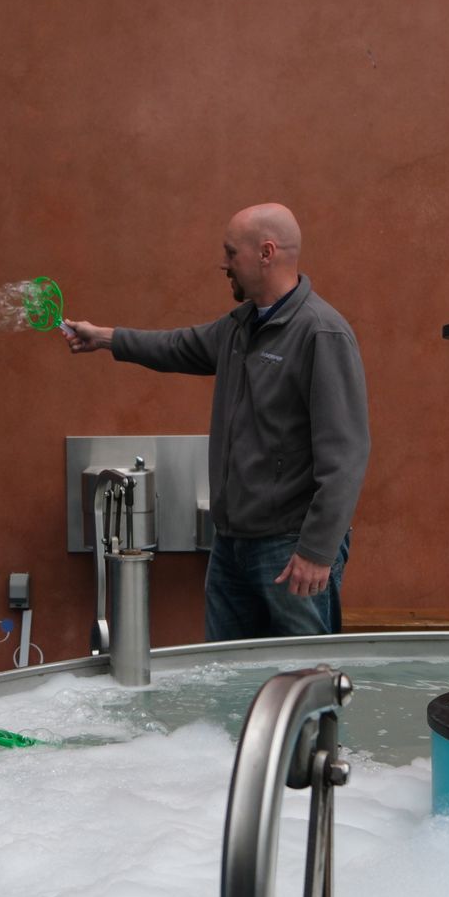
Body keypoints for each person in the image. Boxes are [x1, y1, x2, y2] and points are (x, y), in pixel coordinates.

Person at [64, 202, 370, 641]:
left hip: (290, 550)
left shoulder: (320, 333)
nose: (223, 264)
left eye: (231, 253)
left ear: (266, 253)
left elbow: (346, 456)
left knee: (303, 683)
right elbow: (176, 346)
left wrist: (317, 551)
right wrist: (104, 339)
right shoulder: (240, 328)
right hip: (231, 545)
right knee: (226, 679)